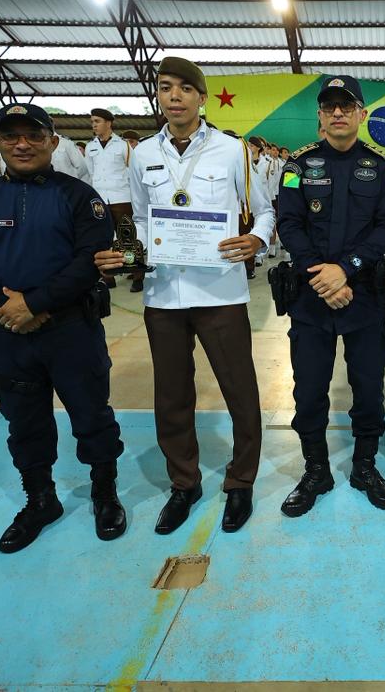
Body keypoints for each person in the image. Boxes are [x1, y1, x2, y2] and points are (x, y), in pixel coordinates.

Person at [94, 58, 272, 534]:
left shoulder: (233, 151)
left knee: (240, 389)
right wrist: (130, 253)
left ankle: (240, 481)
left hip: (220, 291)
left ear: (201, 97)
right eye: (165, 87)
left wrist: (256, 240)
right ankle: (184, 482)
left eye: (185, 89)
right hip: (164, 293)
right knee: (172, 394)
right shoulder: (143, 154)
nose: (174, 96)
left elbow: (264, 212)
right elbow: (142, 220)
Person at [0, 103, 126, 554]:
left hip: (70, 329)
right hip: (6, 332)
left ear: (52, 141)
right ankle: (40, 499)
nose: (22, 144)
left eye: (33, 135)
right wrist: (5, 306)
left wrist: (36, 303)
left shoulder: (82, 197)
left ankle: (104, 493)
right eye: (10, 137)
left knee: (92, 414)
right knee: (23, 422)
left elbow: (91, 259)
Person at [276, 74, 385, 517]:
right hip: (312, 298)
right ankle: (316, 470)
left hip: (364, 296)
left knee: (368, 386)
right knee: (308, 389)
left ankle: (364, 466)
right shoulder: (297, 166)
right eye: (329, 106)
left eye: (346, 106)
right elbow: (289, 224)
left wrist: (345, 269)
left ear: (361, 115)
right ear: (319, 115)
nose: (337, 113)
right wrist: (321, 275)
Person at [84, 108, 141, 291]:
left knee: (128, 236)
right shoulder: (90, 146)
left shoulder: (122, 145)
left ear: (109, 123)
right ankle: (108, 276)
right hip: (100, 199)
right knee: (103, 238)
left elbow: (133, 171)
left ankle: (136, 274)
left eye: (97, 121)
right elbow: (90, 173)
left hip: (121, 197)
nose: (94, 125)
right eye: (92, 121)